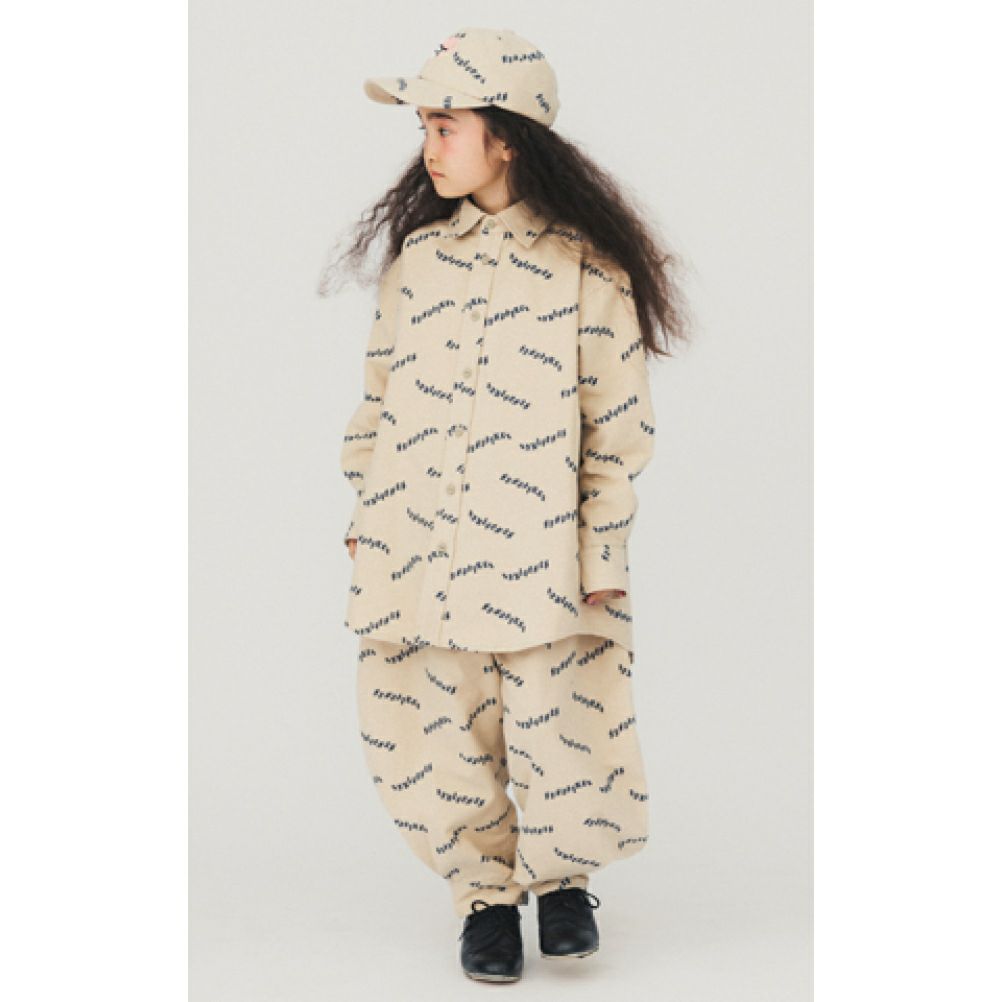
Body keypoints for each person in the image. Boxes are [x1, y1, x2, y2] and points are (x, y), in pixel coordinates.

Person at [319, 26, 689, 983]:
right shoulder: (417, 262)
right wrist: (366, 517)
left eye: (445, 125)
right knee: (432, 726)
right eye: (425, 128)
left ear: (509, 136)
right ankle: (483, 897)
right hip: (414, 546)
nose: (429, 147)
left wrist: (601, 558)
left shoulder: (587, 269)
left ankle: (563, 884)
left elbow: (617, 433)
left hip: (543, 555)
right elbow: (376, 400)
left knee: (561, 718)